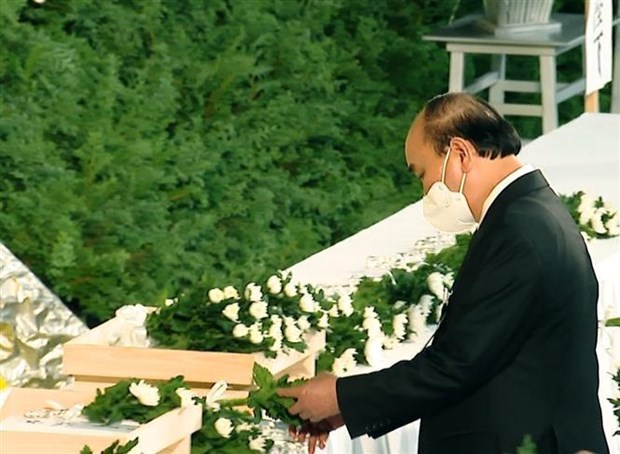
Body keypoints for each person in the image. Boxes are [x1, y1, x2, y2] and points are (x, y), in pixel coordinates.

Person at [278, 92, 609, 454]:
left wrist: (342, 397)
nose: (425, 192)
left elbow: (456, 365)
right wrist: (350, 406)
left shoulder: (519, 231)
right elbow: (473, 355)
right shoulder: (528, 211)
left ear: (461, 153)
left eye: (423, 175)